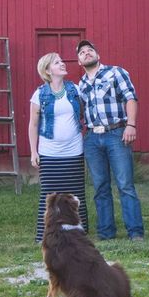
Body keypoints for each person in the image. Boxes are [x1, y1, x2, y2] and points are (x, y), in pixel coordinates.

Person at [77, 39, 145, 241]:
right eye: (82, 52)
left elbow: (130, 97)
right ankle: (106, 233)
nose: (86, 53)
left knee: (125, 184)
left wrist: (131, 125)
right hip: (91, 138)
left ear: (98, 55)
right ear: (79, 61)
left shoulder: (116, 72)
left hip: (116, 134)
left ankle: (135, 232)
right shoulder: (81, 84)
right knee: (100, 187)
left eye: (90, 50)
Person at [28, 52, 88, 243]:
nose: (62, 64)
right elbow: (33, 125)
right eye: (57, 62)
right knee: (50, 196)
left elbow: (85, 114)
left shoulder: (75, 90)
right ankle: (45, 234)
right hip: (49, 153)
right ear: (47, 70)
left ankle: (78, 233)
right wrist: (33, 151)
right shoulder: (39, 94)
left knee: (76, 195)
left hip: (74, 151)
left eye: (61, 61)